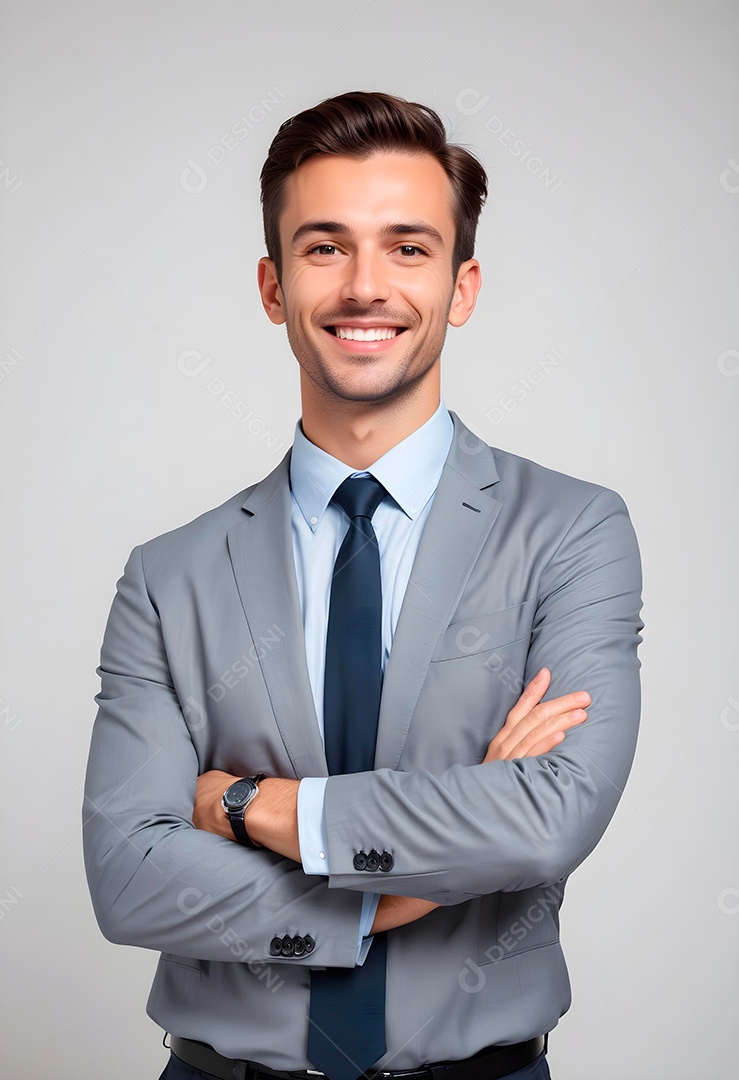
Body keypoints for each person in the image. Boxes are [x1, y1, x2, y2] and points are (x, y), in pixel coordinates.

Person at [83, 91, 643, 1080]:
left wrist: (248, 805)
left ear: (462, 287)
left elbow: (547, 820)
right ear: (273, 285)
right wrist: (415, 882)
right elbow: (129, 877)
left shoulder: (570, 532)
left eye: (408, 248)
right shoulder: (168, 577)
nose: (364, 286)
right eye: (325, 247)